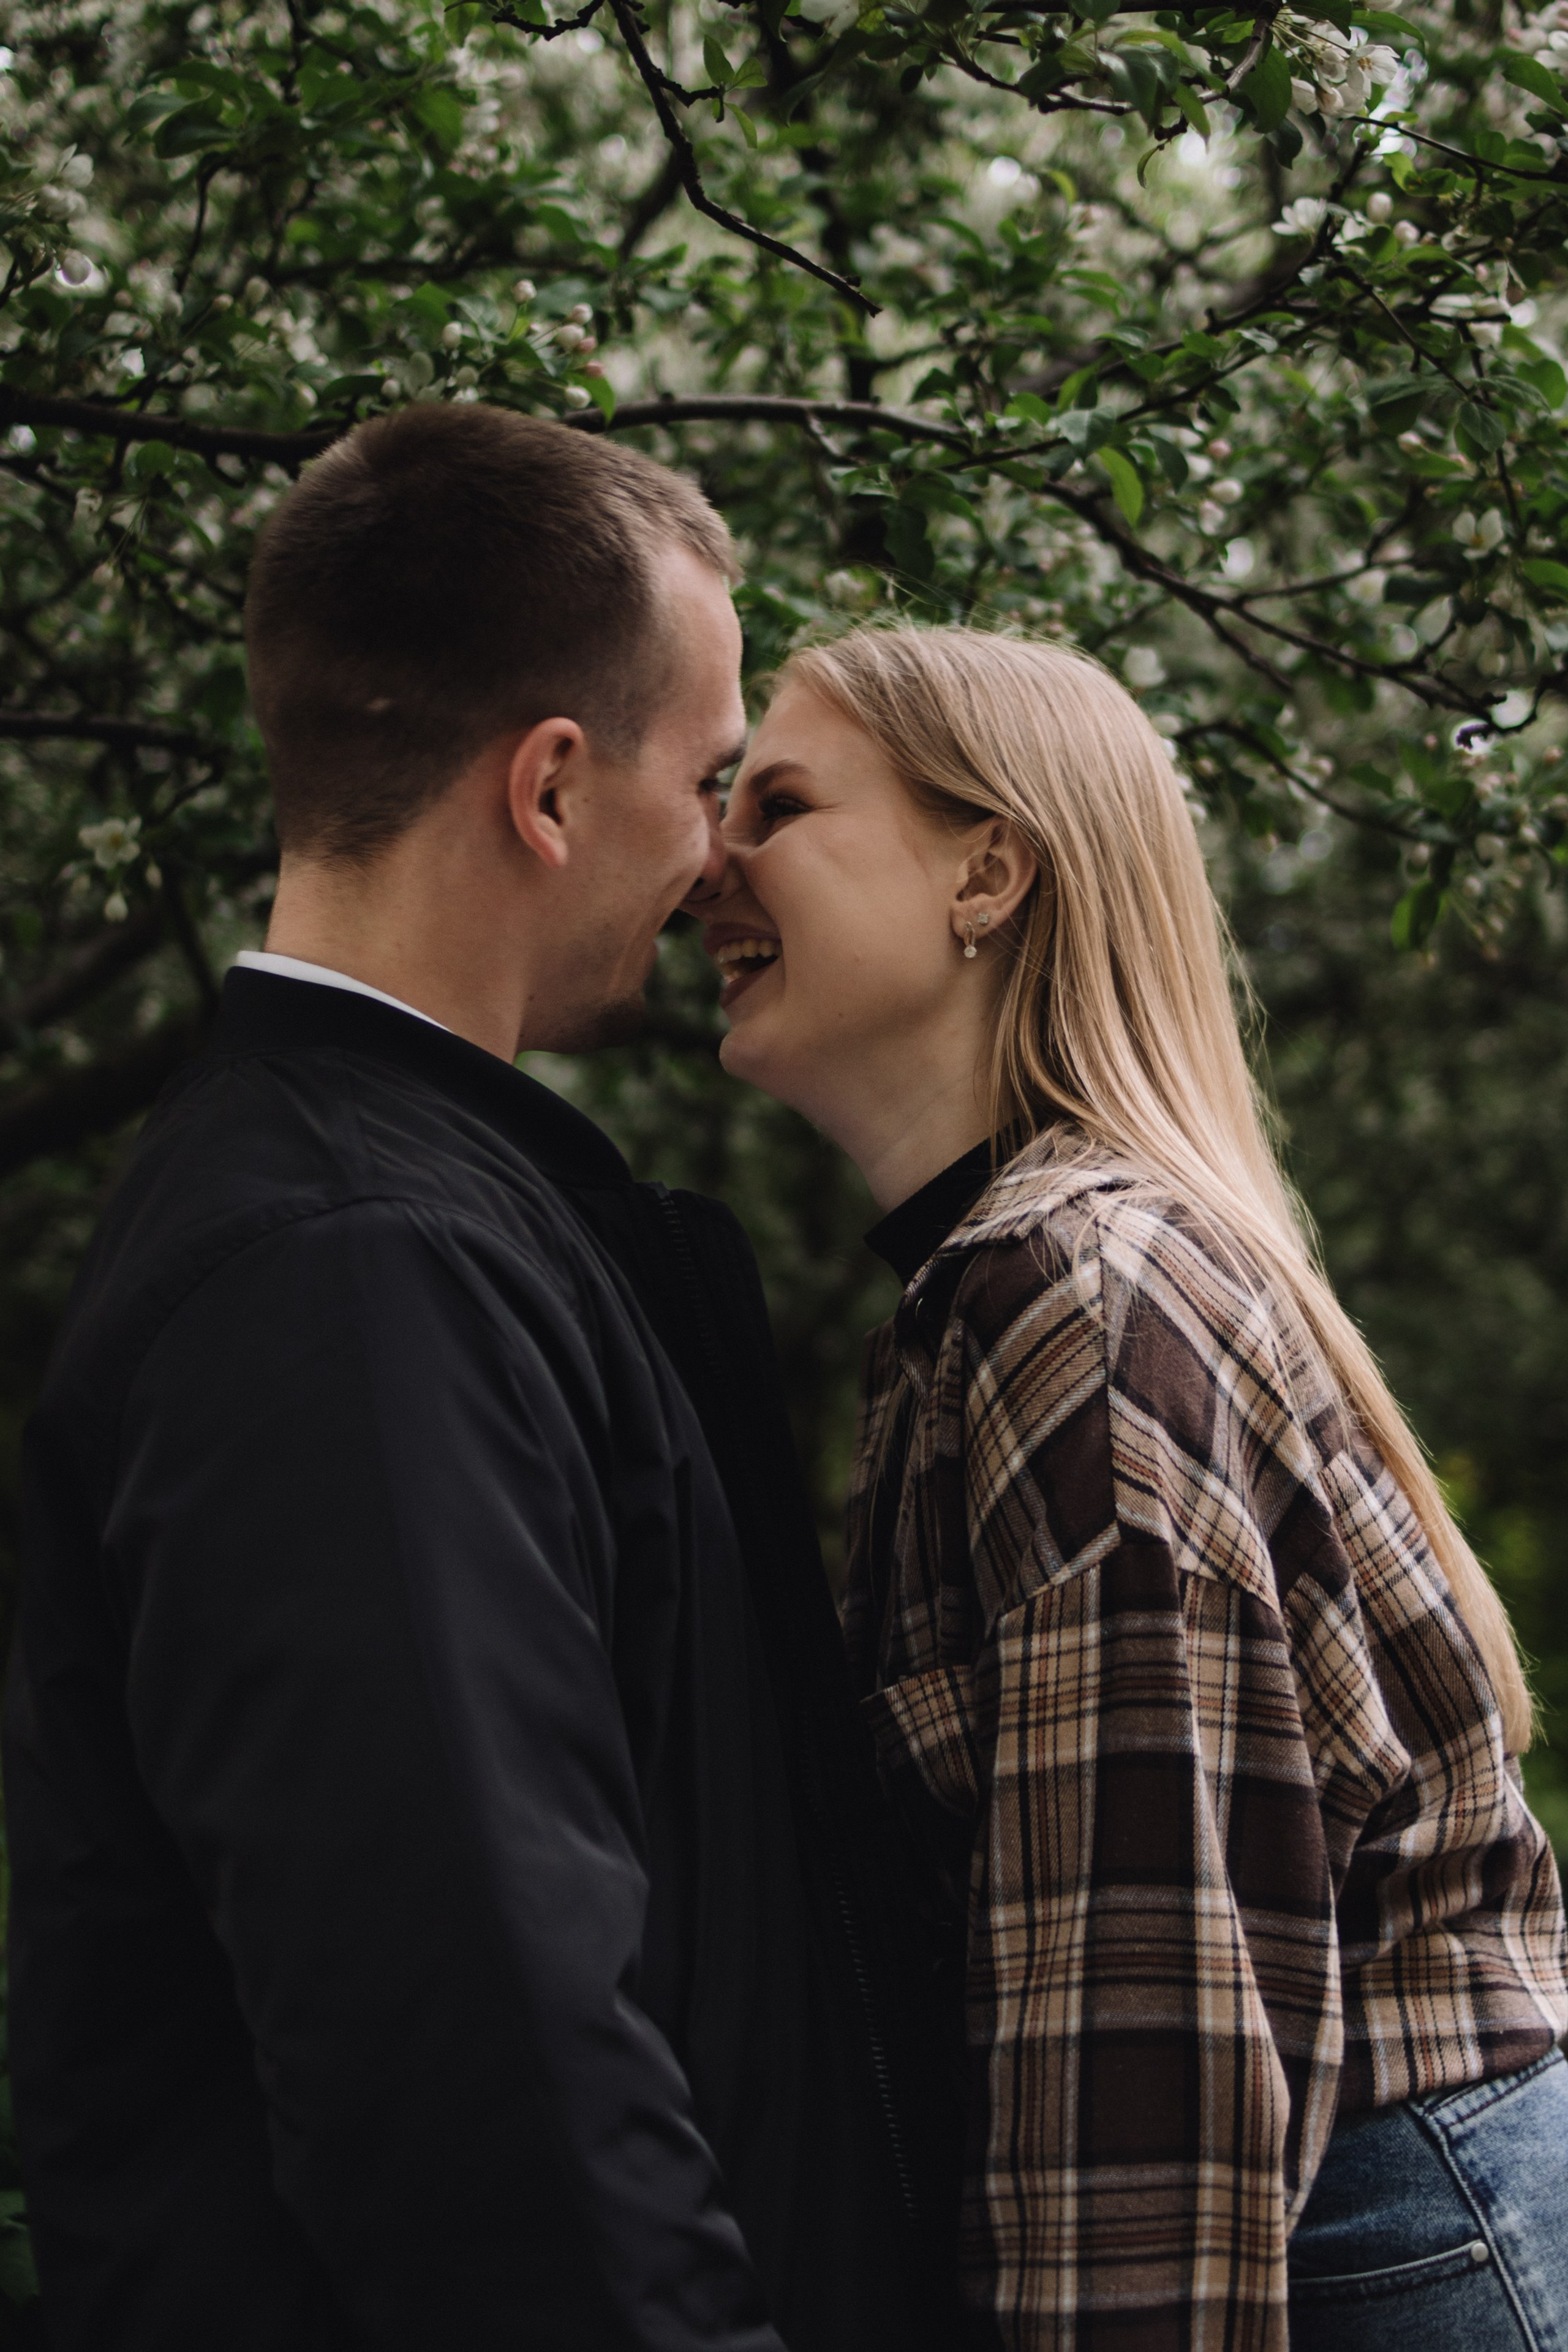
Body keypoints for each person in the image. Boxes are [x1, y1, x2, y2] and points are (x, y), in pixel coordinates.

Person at [3, 407, 955, 2352]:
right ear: (549, 788)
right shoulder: (355, 1272)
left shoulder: (404, 1219)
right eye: (708, 781)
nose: (720, 860)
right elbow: (476, 2066)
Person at [694, 620, 1568, 2352]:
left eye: (776, 806)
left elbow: (1148, 2018)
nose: (704, 868)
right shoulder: (993, 1294)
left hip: (1372, 2249)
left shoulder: (1076, 1303)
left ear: (989, 873)